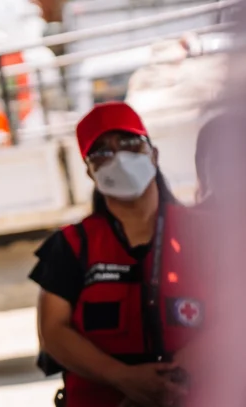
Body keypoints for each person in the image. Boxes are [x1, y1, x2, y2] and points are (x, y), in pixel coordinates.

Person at [30, 102, 201, 407]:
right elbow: (53, 331)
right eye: (103, 152)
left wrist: (178, 376)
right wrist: (124, 377)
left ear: (154, 153)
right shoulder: (69, 245)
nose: (119, 158)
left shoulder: (207, 233)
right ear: (90, 171)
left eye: (130, 144)